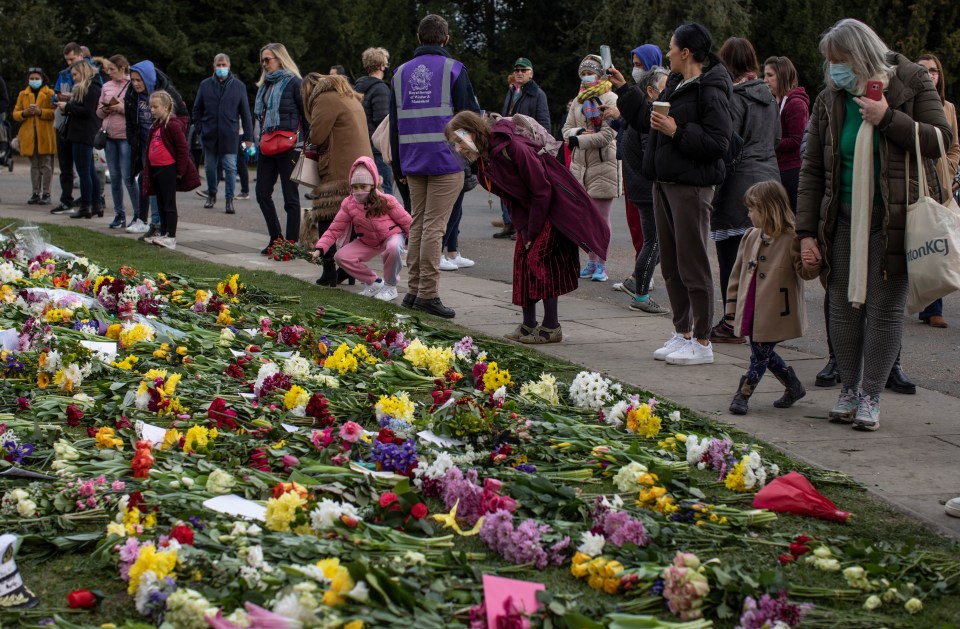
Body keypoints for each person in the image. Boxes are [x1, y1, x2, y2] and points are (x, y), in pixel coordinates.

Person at [796, 18, 951, 431]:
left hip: (896, 219)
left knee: (884, 311)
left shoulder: (911, 80)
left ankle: (871, 396)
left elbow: (940, 140)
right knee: (842, 309)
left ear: (861, 55)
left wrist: (887, 118)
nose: (833, 70)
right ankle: (849, 389)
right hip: (843, 217)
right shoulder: (831, 97)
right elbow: (812, 169)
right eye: (829, 62)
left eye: (839, 60)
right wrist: (806, 233)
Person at [446, 111, 610, 342]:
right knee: (522, 264)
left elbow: (542, 191)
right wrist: (523, 228)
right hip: (530, 211)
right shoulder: (485, 159)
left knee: (541, 264)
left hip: (551, 209)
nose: (458, 149)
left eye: (459, 142)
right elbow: (512, 197)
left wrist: (532, 230)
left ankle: (551, 326)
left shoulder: (513, 148)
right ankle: (528, 325)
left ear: (472, 133)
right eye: (454, 144)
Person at [642, 23, 732, 366]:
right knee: (673, 264)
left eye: (671, 47)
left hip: (692, 187)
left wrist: (677, 131)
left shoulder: (711, 87)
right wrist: (626, 91)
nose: (667, 53)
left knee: (694, 264)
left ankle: (703, 339)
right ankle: (682, 332)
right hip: (665, 182)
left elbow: (719, 143)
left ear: (686, 52)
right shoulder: (678, 84)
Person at [389, 14, 481, 319]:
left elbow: (394, 125)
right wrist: (473, 160)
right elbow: (469, 120)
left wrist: (398, 167)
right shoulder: (454, 69)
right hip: (446, 160)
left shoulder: (400, 73)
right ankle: (427, 294)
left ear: (419, 38)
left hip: (412, 159)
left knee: (418, 224)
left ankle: (414, 292)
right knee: (434, 228)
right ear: (445, 39)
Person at [710, 37, 781, 345]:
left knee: (733, 259)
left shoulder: (735, 99)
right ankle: (759, 320)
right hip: (770, 180)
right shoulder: (768, 97)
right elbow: (776, 138)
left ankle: (732, 320)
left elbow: (728, 144)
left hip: (740, 184)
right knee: (762, 258)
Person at [726, 182, 820, 414]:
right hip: (752, 305)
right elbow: (737, 273)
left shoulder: (792, 238)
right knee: (762, 351)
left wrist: (812, 263)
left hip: (776, 309)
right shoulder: (751, 236)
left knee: (759, 353)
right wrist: (731, 305)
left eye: (752, 209)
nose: (749, 214)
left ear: (768, 209)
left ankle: (743, 395)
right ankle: (793, 385)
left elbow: (805, 273)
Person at [609, 51, 670, 314]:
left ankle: (636, 281)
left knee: (655, 241)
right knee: (655, 241)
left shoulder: (641, 115)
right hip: (647, 189)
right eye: (665, 88)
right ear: (651, 91)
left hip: (641, 187)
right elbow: (650, 155)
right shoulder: (646, 119)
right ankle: (641, 295)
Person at [300, 72, 372, 285]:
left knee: (327, 217)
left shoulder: (324, 99)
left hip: (339, 168)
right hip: (362, 167)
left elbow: (317, 136)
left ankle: (329, 269)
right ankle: (349, 268)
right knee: (353, 218)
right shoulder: (347, 94)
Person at [312, 157, 411, 301]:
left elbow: (407, 222)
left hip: (391, 236)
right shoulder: (348, 204)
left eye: (363, 186)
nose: (359, 191)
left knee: (393, 247)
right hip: (367, 241)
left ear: (373, 185)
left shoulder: (387, 200)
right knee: (341, 257)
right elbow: (334, 229)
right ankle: (374, 282)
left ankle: (390, 286)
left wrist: (417, 245)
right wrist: (320, 248)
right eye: (355, 187)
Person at [562, 54, 619, 282]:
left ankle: (601, 264)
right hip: (580, 167)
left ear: (600, 74)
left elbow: (607, 135)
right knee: (584, 218)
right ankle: (590, 261)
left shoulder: (610, 97)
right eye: (583, 73)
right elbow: (566, 129)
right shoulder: (578, 100)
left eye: (591, 73)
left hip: (603, 165)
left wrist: (577, 140)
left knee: (601, 219)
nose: (587, 77)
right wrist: (575, 134)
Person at [915, 53, 959, 329]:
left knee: (937, 242)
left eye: (934, 70)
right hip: (914, 179)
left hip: (940, 181)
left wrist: (950, 169)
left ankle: (933, 307)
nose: (930, 75)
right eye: (924, 70)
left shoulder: (948, 107)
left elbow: (955, 145)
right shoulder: (907, 103)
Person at [123, 60, 188, 238]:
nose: (135, 83)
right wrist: (132, 139)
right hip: (144, 144)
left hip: (163, 148)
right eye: (133, 79)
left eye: (139, 80)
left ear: (148, 78)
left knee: (158, 188)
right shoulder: (131, 94)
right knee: (143, 181)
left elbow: (183, 116)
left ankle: (159, 225)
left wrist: (170, 132)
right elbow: (129, 119)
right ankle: (146, 221)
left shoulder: (167, 93)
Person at [255, 43, 306, 253]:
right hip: (268, 144)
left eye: (269, 59)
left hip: (289, 145)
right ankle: (276, 237)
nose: (265, 64)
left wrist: (306, 142)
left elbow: (305, 114)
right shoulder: (264, 86)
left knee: (290, 196)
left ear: (280, 58)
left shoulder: (295, 83)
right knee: (261, 193)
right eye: (263, 60)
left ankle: (290, 244)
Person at [493, 57, 552, 239]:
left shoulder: (537, 94)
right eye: (516, 70)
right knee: (506, 183)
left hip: (526, 146)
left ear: (531, 73)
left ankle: (522, 225)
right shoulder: (512, 91)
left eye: (523, 70)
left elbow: (544, 123)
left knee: (522, 187)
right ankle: (509, 223)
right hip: (509, 144)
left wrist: (538, 147)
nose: (519, 72)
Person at [193, 53, 254, 214]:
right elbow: (197, 109)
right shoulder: (205, 85)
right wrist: (200, 128)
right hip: (210, 134)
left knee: (230, 167)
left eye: (223, 65)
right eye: (218, 65)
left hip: (230, 135)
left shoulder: (239, 86)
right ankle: (212, 194)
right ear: (213, 66)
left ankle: (229, 199)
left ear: (229, 66)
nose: (221, 68)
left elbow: (245, 113)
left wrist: (248, 137)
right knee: (210, 168)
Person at [140, 90, 200, 249]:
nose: (152, 110)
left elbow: (182, 148)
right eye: (150, 107)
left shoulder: (172, 124)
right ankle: (163, 232)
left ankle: (171, 236)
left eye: (155, 107)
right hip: (156, 168)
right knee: (160, 203)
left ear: (166, 107)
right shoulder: (156, 125)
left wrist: (179, 171)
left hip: (168, 168)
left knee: (168, 203)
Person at [56, 60, 101, 220]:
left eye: (75, 74)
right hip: (82, 133)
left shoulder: (91, 88)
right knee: (89, 171)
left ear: (83, 72)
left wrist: (67, 107)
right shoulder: (90, 87)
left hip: (83, 134)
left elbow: (87, 111)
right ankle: (96, 204)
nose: (74, 78)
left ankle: (86, 205)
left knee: (84, 173)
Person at [96, 55, 137, 228]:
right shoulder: (106, 86)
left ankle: (138, 215)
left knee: (128, 178)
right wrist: (105, 109)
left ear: (122, 68)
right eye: (108, 69)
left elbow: (136, 112)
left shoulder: (133, 85)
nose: (109, 72)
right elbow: (98, 112)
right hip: (109, 137)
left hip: (125, 137)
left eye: (112, 69)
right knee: (114, 177)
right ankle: (119, 215)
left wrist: (121, 108)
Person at [763, 56, 809, 210]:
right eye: (765, 75)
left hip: (791, 171)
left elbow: (797, 141)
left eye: (770, 75)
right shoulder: (774, 102)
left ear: (782, 75)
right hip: (776, 168)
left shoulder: (796, 104)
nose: (765, 80)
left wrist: (768, 142)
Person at [13, 68, 56, 205]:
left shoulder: (50, 93)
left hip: (46, 135)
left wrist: (40, 111)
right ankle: (35, 192)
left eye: (37, 78)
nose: (34, 81)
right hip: (29, 135)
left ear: (43, 79)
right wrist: (24, 113)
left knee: (46, 165)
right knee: (34, 166)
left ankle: (47, 193)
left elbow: (56, 112)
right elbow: (15, 113)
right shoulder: (23, 94)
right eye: (32, 78)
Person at [50, 42, 85, 214]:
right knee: (65, 165)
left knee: (84, 166)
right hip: (63, 123)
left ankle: (88, 200)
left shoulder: (91, 74)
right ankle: (66, 199)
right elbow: (53, 95)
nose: (69, 63)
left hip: (80, 124)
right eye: (67, 60)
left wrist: (70, 98)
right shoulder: (63, 74)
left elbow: (93, 97)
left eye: (72, 59)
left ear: (80, 56)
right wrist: (56, 97)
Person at [355, 47, 393, 194]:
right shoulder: (381, 89)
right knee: (384, 190)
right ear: (381, 66)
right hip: (377, 149)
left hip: (362, 145)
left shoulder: (357, 87)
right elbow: (383, 121)